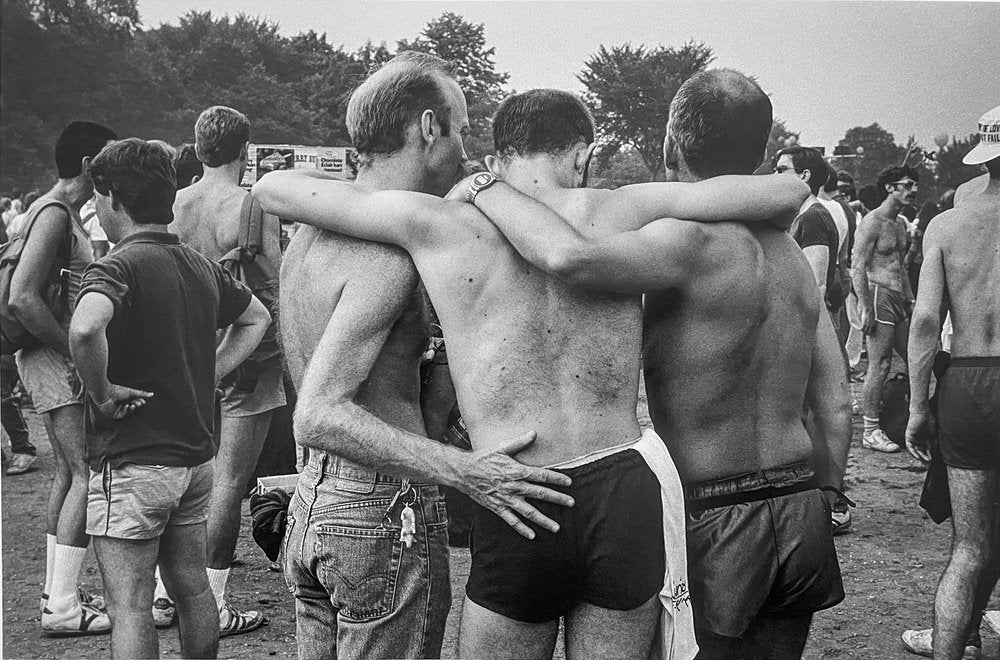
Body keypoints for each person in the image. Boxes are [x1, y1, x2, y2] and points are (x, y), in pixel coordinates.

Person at [255, 63, 808, 658]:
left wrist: (483, 188)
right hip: (619, 485)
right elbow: (789, 191)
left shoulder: (438, 223)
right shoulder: (627, 208)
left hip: (518, 489)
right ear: (582, 155)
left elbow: (271, 189)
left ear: (501, 154)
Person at [449, 69, 850, 660]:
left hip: (711, 506)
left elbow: (570, 257)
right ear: (763, 149)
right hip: (799, 501)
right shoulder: (792, 257)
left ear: (670, 144)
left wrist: (482, 183)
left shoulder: (682, 244)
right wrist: (831, 491)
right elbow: (837, 401)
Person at [70, 138, 270, 659]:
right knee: (192, 587)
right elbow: (257, 318)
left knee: (131, 605)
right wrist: (212, 369)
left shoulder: (116, 266)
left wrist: (102, 391)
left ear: (112, 197)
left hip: (133, 457)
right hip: (194, 459)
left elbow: (86, 328)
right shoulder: (200, 266)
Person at [170, 105, 284, 635]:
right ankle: (212, 604)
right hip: (245, 351)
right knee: (229, 481)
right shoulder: (251, 205)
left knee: (178, 473)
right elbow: (274, 283)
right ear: (246, 148)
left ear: (197, 146)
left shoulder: (173, 202)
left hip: (183, 349)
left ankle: (164, 596)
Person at [8, 120, 117, 636]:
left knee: (69, 474)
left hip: (40, 357)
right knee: (85, 471)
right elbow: (23, 297)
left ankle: (59, 592)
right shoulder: (54, 214)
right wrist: (71, 352)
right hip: (51, 357)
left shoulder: (53, 211)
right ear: (89, 164)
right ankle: (65, 608)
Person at [904, 104, 1000, 660]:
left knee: (969, 547)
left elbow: (923, 321)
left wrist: (918, 405)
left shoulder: (946, 224)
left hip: (966, 379)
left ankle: (950, 650)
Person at [852, 165, 919, 453]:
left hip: (898, 297)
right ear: (890, 188)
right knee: (880, 364)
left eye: (915, 184)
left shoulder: (900, 223)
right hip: (878, 295)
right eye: (907, 184)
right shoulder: (873, 221)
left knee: (917, 359)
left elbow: (902, 267)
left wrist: (911, 299)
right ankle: (870, 429)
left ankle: (912, 419)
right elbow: (857, 267)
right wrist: (865, 305)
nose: (913, 190)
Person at [774, 146, 840, 306]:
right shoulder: (807, 215)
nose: (775, 176)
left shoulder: (813, 218)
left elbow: (817, 285)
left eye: (782, 169)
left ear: (804, 175)